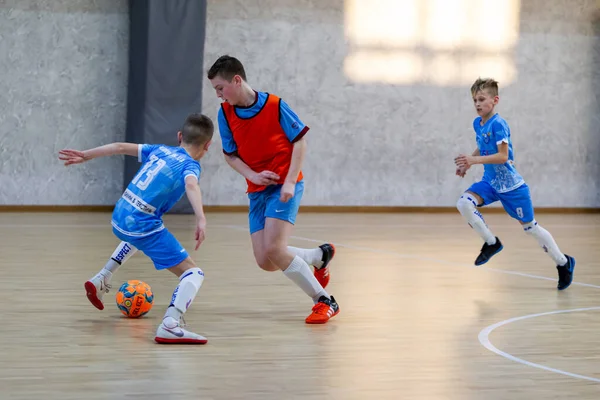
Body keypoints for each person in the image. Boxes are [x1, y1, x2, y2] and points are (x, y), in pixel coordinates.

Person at [58, 113, 214, 343]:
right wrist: (201, 217)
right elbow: (191, 184)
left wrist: (86, 155)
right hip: (141, 224)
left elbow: (119, 146)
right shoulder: (190, 165)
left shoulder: (159, 150)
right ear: (208, 145)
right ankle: (171, 323)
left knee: (141, 233)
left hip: (120, 215)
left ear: (179, 136)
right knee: (193, 273)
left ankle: (102, 276)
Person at [207, 55, 338, 324]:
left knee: (275, 250)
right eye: (215, 91)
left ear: (237, 80)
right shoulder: (226, 113)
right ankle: (317, 256)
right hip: (257, 189)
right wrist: (253, 175)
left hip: (284, 185)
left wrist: (289, 181)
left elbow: (300, 142)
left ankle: (324, 300)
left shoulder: (275, 105)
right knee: (265, 260)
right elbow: (230, 155)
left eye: (221, 88)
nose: (219, 95)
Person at [454, 77, 575, 290]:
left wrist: (474, 160)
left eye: (481, 99)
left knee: (531, 229)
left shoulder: (499, 124)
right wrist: (469, 164)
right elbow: (483, 147)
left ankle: (563, 262)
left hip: (512, 188)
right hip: (490, 183)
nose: (477, 104)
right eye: (474, 100)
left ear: (495, 100)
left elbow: (502, 156)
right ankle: (492, 243)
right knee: (464, 203)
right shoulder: (477, 123)